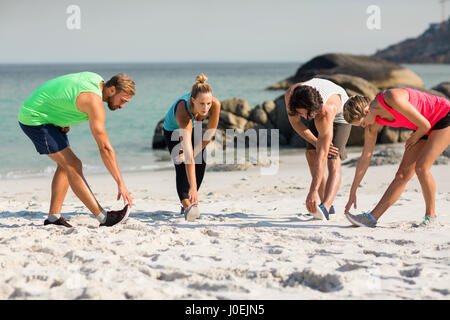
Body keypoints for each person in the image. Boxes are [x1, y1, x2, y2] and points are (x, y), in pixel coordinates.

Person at [18, 72, 135, 228]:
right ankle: (104, 218)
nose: (122, 106)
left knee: (65, 165)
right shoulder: (94, 102)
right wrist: (120, 182)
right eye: (122, 100)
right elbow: (105, 148)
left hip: (49, 117)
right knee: (73, 165)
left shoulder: (96, 80)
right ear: (112, 90)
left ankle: (53, 218)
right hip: (35, 117)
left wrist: (62, 119)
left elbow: (66, 90)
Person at [343, 88, 450, 227]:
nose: (364, 127)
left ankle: (431, 216)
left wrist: (414, 138)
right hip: (422, 127)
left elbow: (425, 125)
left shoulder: (391, 97)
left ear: (366, 111)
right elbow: (365, 157)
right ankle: (371, 218)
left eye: (362, 123)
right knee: (401, 175)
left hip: (443, 116)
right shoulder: (373, 122)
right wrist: (353, 191)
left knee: (422, 168)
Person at [285, 78, 352, 220]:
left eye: (306, 115)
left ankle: (326, 206)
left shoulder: (326, 111)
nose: (304, 117)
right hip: (315, 105)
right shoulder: (290, 97)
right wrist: (317, 143)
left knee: (332, 158)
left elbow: (322, 155)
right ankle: (325, 204)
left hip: (340, 116)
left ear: (314, 110)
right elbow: (296, 124)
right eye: (301, 113)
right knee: (310, 153)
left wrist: (312, 191)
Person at [163, 73, 221, 222]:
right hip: (173, 130)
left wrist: (196, 152)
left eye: (208, 103)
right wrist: (193, 187)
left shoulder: (215, 104)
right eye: (201, 104)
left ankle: (190, 197)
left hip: (195, 126)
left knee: (201, 162)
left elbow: (210, 134)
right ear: (193, 100)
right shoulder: (183, 113)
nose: (206, 108)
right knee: (182, 165)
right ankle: (187, 204)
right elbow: (188, 157)